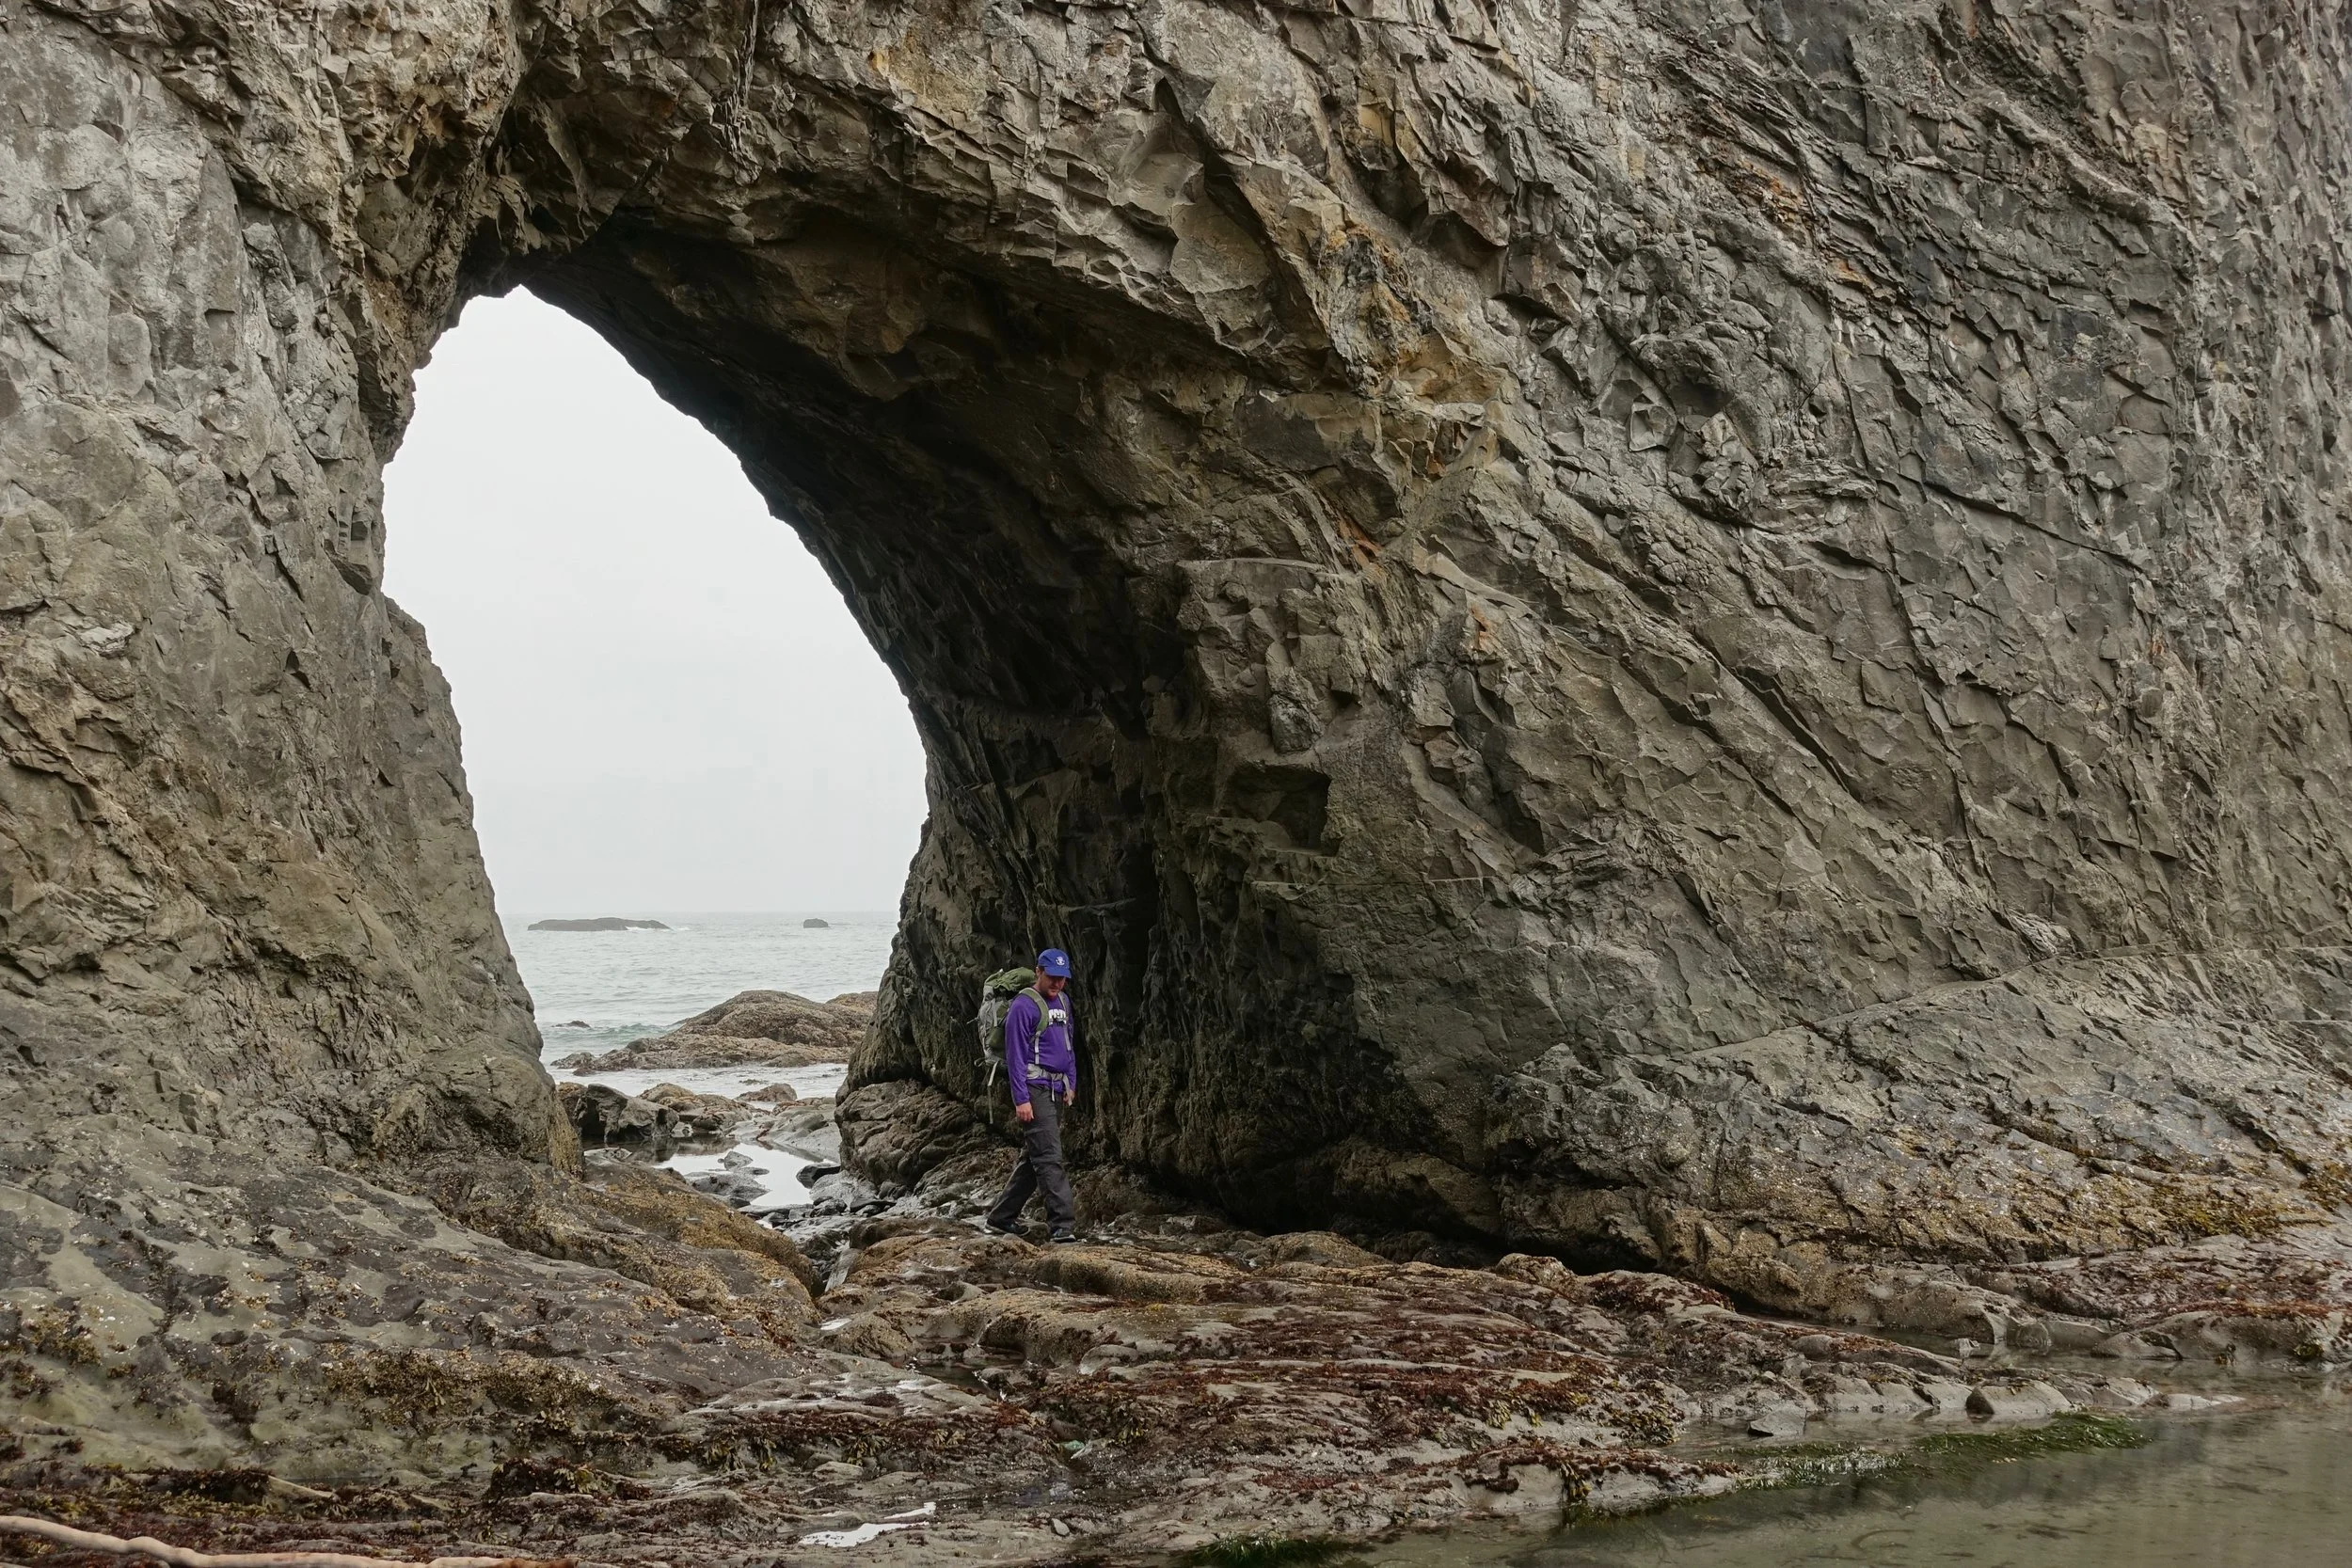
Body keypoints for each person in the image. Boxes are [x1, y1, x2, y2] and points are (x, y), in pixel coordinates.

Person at [984, 947, 1080, 1243]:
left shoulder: (1063, 1000)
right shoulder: (1023, 1007)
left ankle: (1002, 1217)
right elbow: (1015, 1057)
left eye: (1062, 979)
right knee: (1050, 1158)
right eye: (1052, 977)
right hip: (1034, 1090)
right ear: (1038, 971)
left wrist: (1071, 1082)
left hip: (1057, 1087)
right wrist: (1021, 1099)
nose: (1057, 984)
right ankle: (1062, 1226)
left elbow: (1068, 1043)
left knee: (1034, 1157)